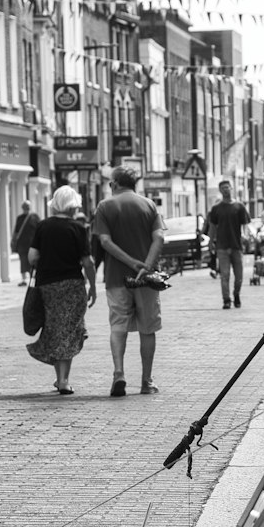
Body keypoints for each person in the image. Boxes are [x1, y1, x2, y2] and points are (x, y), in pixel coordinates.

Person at [93, 166, 164, 396]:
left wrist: (131, 263)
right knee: (148, 328)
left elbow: (104, 241)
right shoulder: (149, 205)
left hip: (116, 277)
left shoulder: (105, 206)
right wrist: (146, 265)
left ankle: (119, 373)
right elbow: (159, 237)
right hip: (147, 281)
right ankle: (147, 381)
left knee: (118, 326)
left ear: (114, 183)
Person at [26, 185, 97, 394]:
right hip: (72, 285)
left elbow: (32, 257)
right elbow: (87, 261)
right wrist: (92, 286)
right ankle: (64, 380)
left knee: (56, 329)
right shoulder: (78, 228)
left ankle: (61, 379)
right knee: (69, 330)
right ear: (73, 205)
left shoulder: (42, 226)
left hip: (48, 285)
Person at [205, 179, 250, 309]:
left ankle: (236, 294)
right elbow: (212, 227)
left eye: (227, 187)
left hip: (237, 246)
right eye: (223, 188)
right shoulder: (216, 208)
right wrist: (210, 241)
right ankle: (226, 299)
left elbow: (245, 224)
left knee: (239, 276)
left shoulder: (239, 206)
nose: (226, 190)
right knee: (225, 275)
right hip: (222, 246)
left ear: (231, 188)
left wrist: (245, 235)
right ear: (220, 190)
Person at [11, 199, 38, 285]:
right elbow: (16, 231)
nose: (26, 208)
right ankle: (24, 279)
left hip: (32, 244)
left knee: (31, 261)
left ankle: (31, 278)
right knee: (23, 261)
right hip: (23, 244)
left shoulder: (35, 217)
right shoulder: (20, 218)